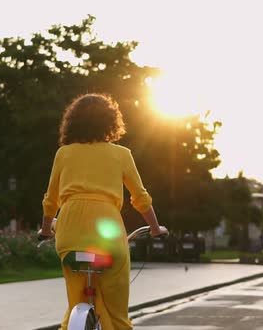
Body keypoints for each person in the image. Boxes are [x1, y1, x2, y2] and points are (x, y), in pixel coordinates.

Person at [40, 93, 168, 330]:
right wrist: (155, 228)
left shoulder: (64, 154)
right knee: (118, 314)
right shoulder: (121, 154)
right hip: (108, 235)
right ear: (111, 122)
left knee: (75, 302)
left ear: (73, 122)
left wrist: (46, 229)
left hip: (69, 232)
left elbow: (51, 201)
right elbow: (140, 197)